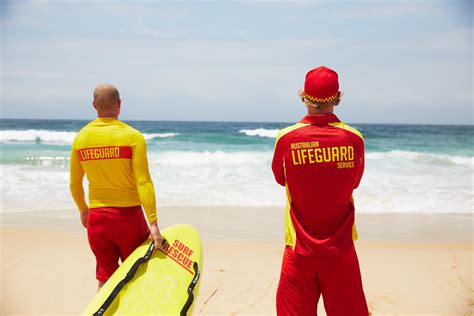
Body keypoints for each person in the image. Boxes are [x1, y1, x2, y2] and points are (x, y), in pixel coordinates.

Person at [272, 66, 369, 315]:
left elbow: (281, 179)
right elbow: (354, 182)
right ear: (337, 97)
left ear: (304, 96)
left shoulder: (286, 138)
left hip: (299, 250)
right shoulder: (353, 138)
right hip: (341, 249)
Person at [70, 84, 163, 290]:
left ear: (94, 105)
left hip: (98, 220)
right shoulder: (133, 137)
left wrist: (84, 210)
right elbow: (143, 181)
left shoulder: (81, 138)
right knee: (136, 275)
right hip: (129, 219)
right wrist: (153, 222)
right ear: (119, 104)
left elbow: (75, 183)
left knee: (105, 278)